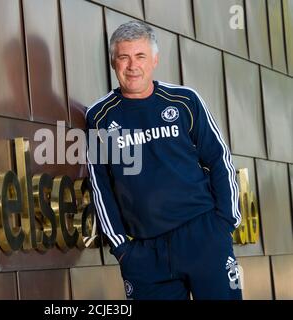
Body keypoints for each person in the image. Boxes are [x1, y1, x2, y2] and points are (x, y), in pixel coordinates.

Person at [85, 21, 243, 300]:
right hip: (145, 254)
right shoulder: (99, 117)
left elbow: (219, 159)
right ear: (113, 62)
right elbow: (100, 188)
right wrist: (121, 248)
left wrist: (226, 222)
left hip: (204, 236)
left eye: (140, 56)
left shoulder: (184, 101)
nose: (132, 65)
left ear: (155, 60)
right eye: (124, 57)